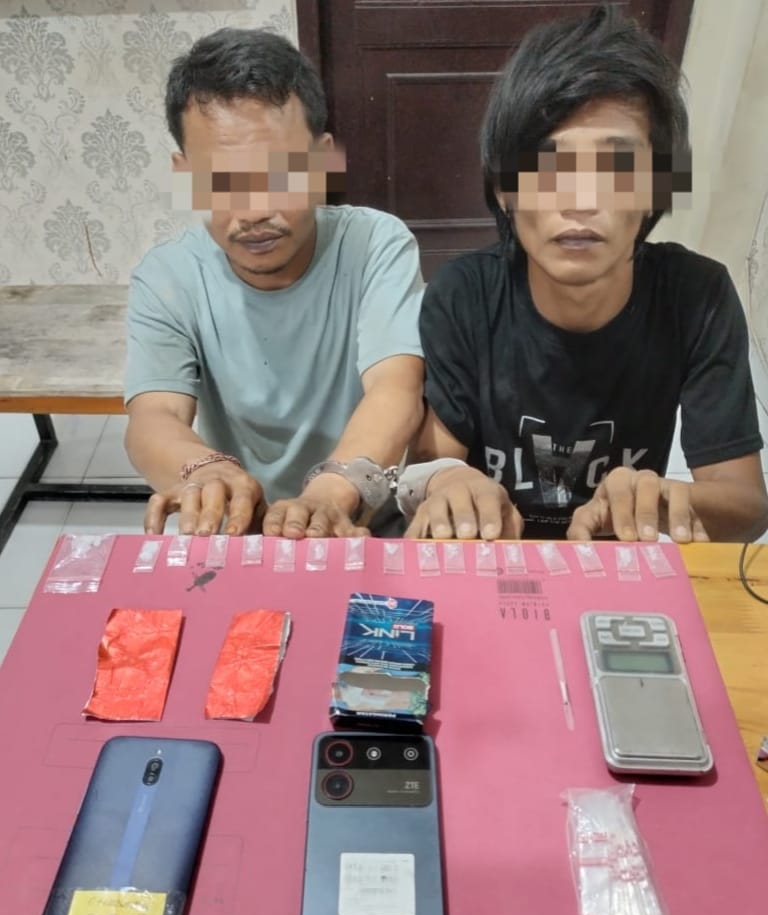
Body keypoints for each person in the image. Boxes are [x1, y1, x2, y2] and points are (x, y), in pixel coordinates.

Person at [401, 4, 768, 543]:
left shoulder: (697, 296)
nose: (581, 200)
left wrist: (663, 497)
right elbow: (432, 464)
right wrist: (449, 483)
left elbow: (747, 506)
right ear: (504, 190)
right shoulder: (465, 294)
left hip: (617, 566)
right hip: (493, 557)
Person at [124, 28, 424, 538]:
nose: (253, 211)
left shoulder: (376, 243)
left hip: (361, 517)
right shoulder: (168, 275)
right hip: (241, 524)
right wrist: (205, 470)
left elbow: (397, 387)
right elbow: (153, 417)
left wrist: (330, 492)